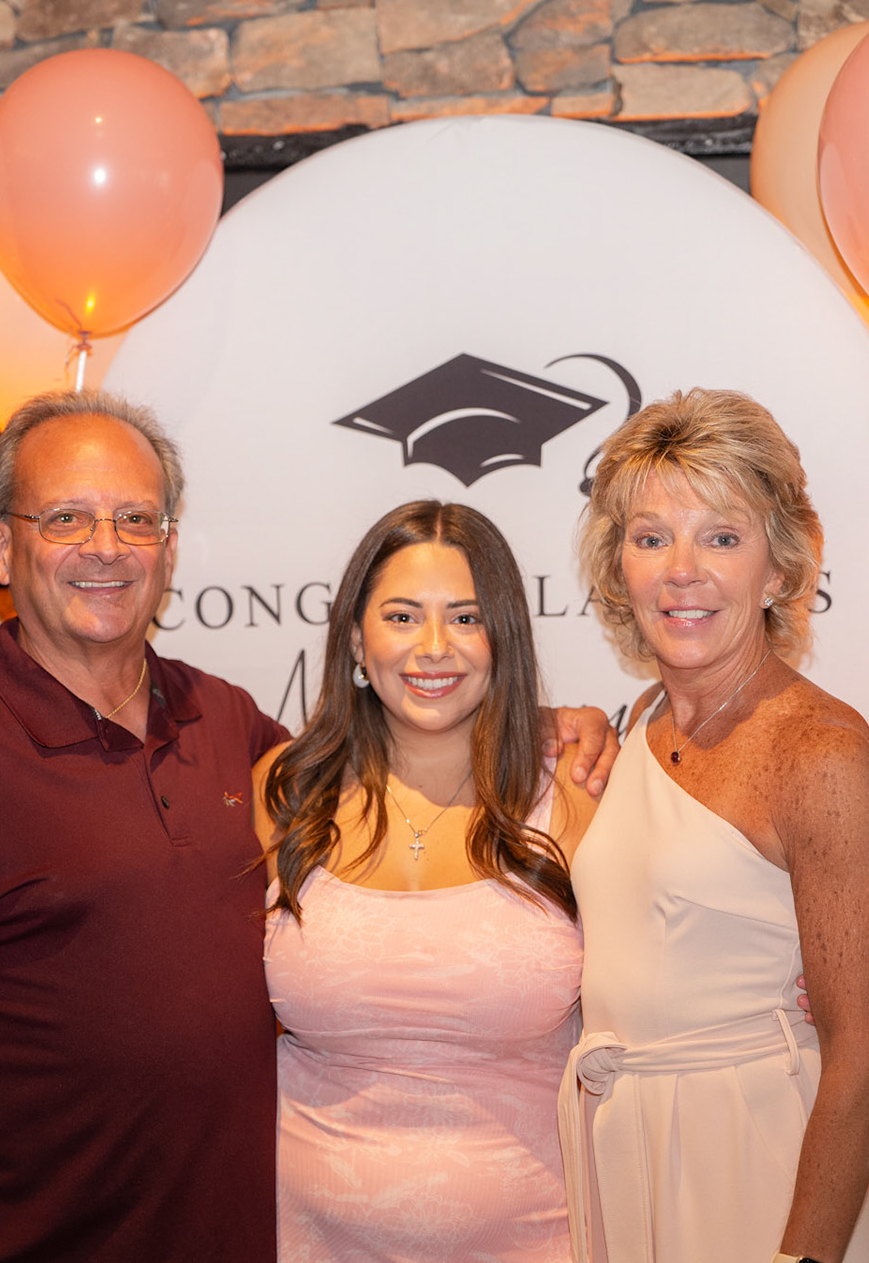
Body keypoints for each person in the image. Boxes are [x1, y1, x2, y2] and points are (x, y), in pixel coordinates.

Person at [0, 392, 619, 1263]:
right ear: (1, 547)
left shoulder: (231, 730)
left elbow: (399, 742)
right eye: (67, 517)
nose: (105, 546)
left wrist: (543, 724)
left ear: (170, 547)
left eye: (135, 519)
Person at [561, 388, 869, 1263]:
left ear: (779, 569)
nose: (682, 570)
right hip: (629, 1155)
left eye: (721, 537)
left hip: (758, 1163)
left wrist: (803, 1257)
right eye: (651, 538)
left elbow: (866, 1056)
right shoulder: (637, 725)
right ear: (619, 568)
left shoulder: (820, 751)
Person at [257, 501, 597, 1263]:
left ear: (503, 637)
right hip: (309, 1239)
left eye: (466, 617)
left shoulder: (576, 793)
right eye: (402, 616)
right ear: (356, 638)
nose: (434, 646)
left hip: (539, 1238)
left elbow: (657, 989)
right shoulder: (283, 791)